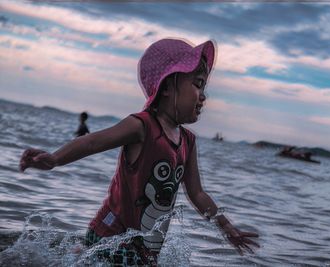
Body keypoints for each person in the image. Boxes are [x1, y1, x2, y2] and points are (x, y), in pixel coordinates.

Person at [19, 38, 259, 265]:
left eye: (204, 86)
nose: (204, 96)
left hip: (143, 247)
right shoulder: (141, 126)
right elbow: (93, 142)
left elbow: (197, 193)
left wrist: (227, 228)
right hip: (113, 234)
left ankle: (74, 255)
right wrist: (54, 159)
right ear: (167, 86)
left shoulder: (188, 141)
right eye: (197, 84)